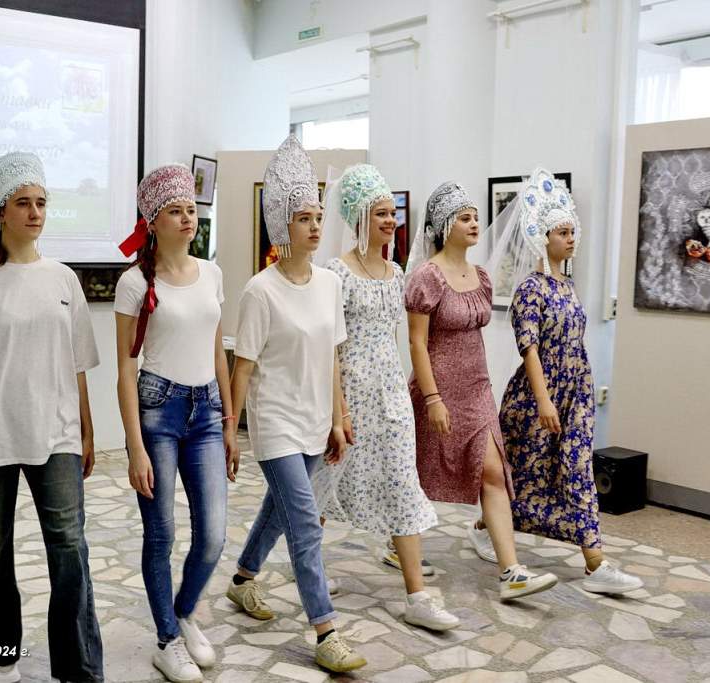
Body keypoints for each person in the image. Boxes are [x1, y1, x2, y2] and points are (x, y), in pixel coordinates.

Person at [0, 152, 103, 683]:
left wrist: (86, 430)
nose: (35, 212)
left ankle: (79, 666)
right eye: (23, 203)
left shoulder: (63, 279)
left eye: (41, 202)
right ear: (0, 211)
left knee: (70, 546)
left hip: (56, 434)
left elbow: (77, 362)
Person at [225, 135, 367, 674]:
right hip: (275, 423)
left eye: (317, 217)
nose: (314, 226)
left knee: (279, 511)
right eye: (303, 218)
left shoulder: (329, 285)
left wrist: (339, 417)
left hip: (314, 419)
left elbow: (332, 357)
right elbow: (243, 368)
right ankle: (326, 631)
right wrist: (229, 432)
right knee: (306, 524)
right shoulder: (260, 291)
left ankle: (243, 579)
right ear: (282, 226)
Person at [312, 164, 459, 631]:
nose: (390, 220)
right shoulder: (335, 273)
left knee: (401, 482)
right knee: (322, 486)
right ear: (358, 216)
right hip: (349, 396)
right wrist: (338, 410)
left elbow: (397, 336)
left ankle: (417, 596)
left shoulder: (397, 273)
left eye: (392, 212)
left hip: (391, 395)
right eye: (380, 213)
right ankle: (309, 572)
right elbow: (329, 348)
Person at [404, 181, 558, 601]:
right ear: (444, 225)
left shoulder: (483, 278)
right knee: (416, 471)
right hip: (438, 389)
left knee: (492, 470)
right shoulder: (426, 277)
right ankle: (398, 542)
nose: (474, 224)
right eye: (464, 218)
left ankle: (512, 571)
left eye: (475, 217)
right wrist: (432, 398)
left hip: (477, 389)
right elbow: (417, 343)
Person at [114, 164, 236, 682]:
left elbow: (218, 348)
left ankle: (183, 612)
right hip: (158, 409)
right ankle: (167, 639)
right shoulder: (134, 282)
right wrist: (134, 447)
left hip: (206, 409)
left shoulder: (212, 273)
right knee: (160, 533)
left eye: (191, 209)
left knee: (213, 534)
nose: (188, 218)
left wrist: (229, 420)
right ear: (153, 221)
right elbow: (125, 369)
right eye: (175, 211)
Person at [495, 168, 643, 594]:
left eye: (572, 231)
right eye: (562, 232)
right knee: (525, 473)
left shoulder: (568, 284)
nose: (571, 238)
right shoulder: (531, 289)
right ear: (543, 238)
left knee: (576, 469)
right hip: (536, 397)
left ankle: (596, 564)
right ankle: (487, 524)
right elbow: (529, 349)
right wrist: (544, 401)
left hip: (575, 394)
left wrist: (579, 392)